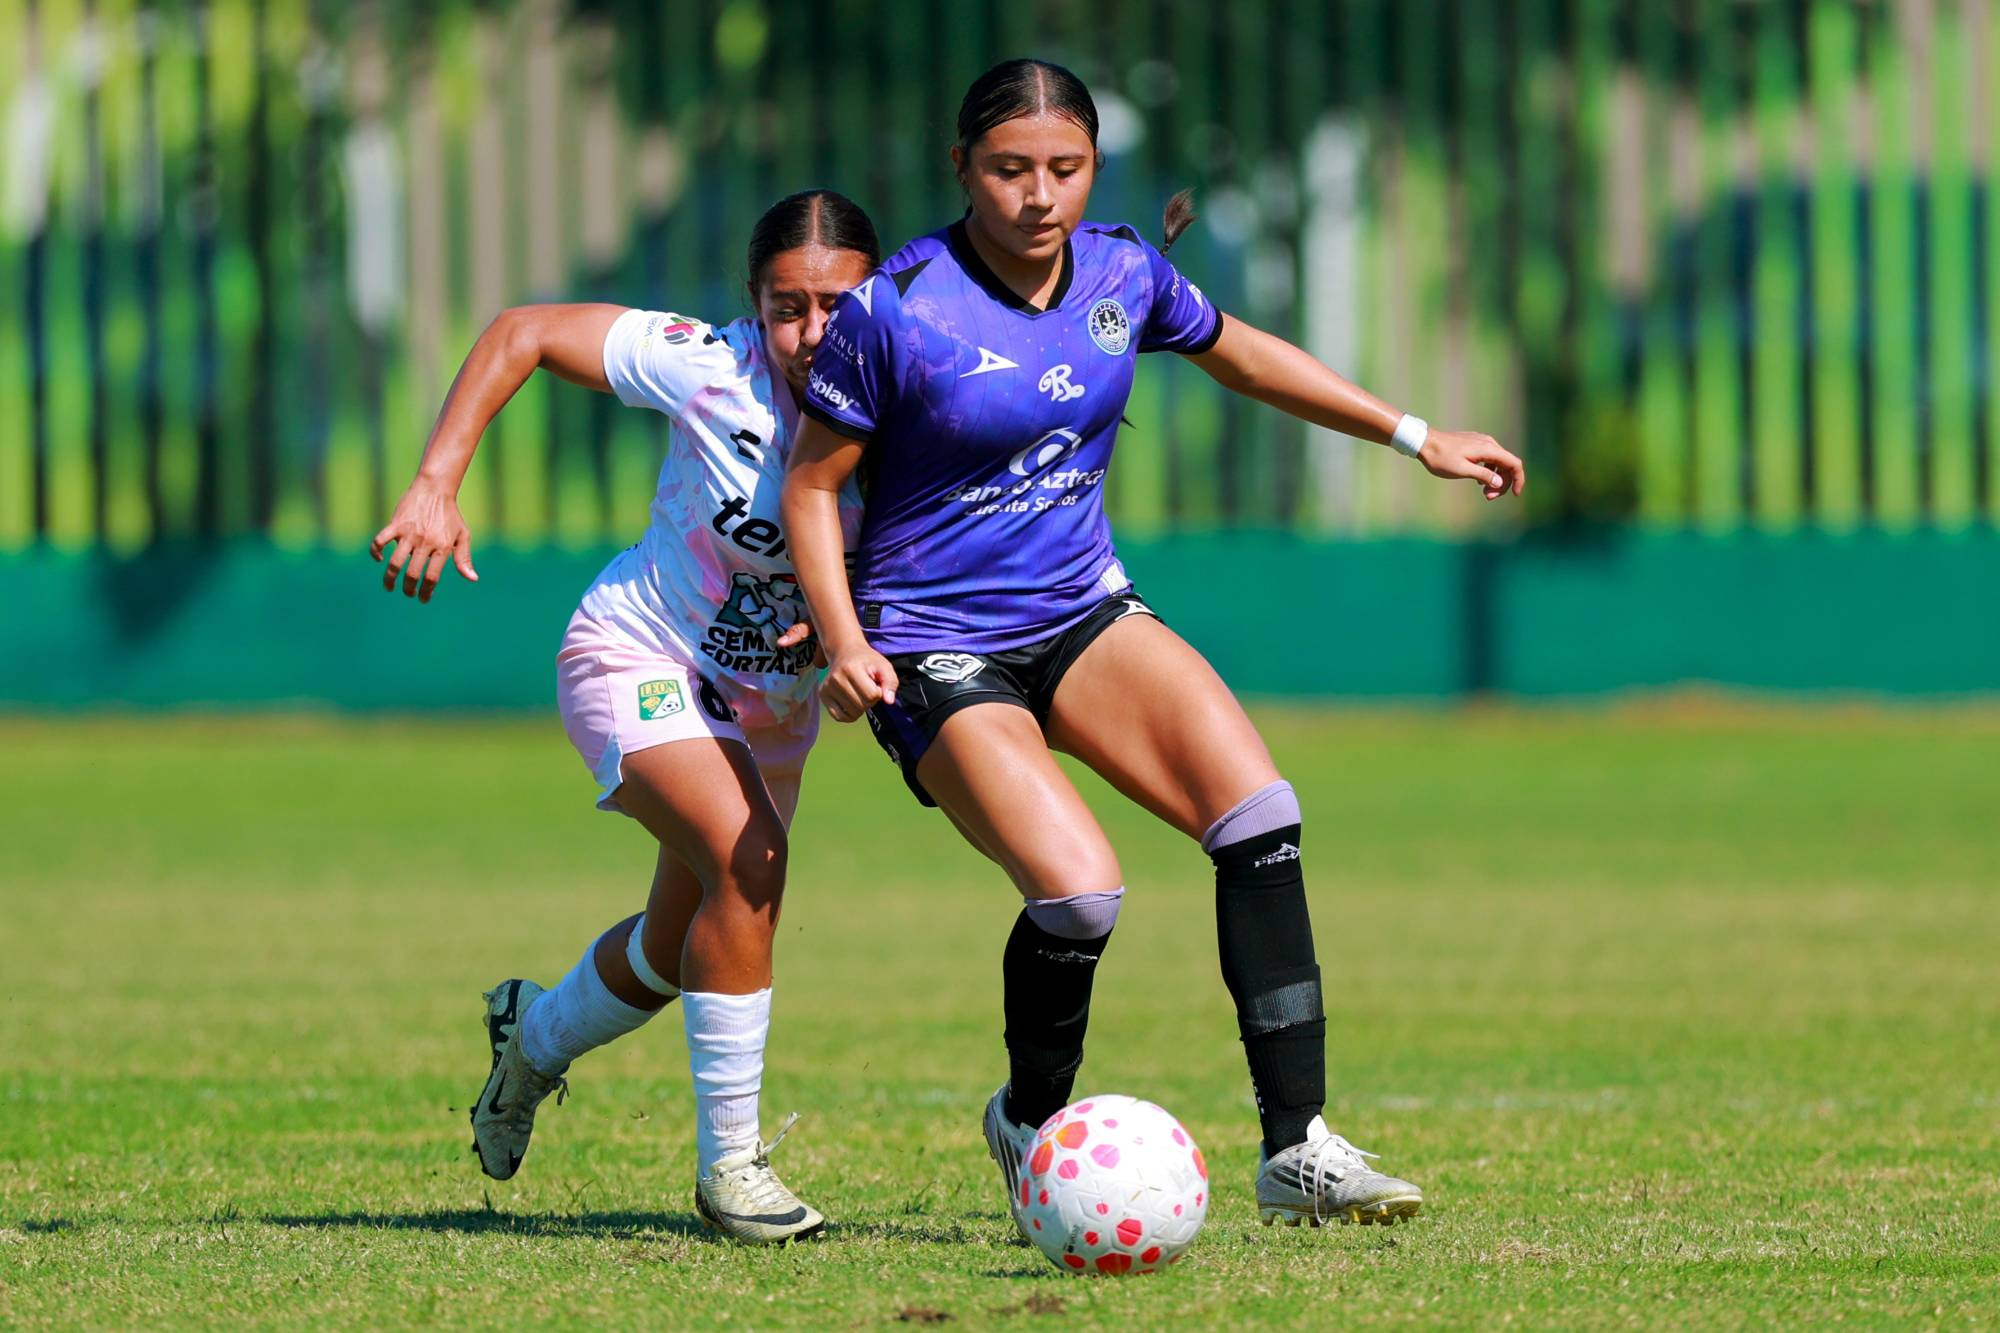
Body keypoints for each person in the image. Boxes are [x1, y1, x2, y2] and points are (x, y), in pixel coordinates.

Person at [781, 60, 1523, 1229]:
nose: (1038, 196)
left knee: (1257, 817)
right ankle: (1029, 1119)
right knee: (1079, 898)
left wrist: (1412, 433)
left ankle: (1298, 1151)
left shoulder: (1124, 270)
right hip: (931, 643)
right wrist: (842, 638)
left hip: (1080, 612)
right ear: (961, 169)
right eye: (1008, 169)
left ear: (1092, 170)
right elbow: (812, 485)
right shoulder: (898, 307)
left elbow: (1239, 352)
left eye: (1064, 170)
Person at [371, 189, 881, 1244]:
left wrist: (857, 623)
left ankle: (532, 1037)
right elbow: (521, 333)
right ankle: (731, 1170)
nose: (811, 333)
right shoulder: (708, 362)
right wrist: (435, 481)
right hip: (637, 651)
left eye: (837, 304)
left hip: (769, 709)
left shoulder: (910, 393)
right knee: (752, 866)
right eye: (788, 307)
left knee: (672, 949)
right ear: (752, 305)